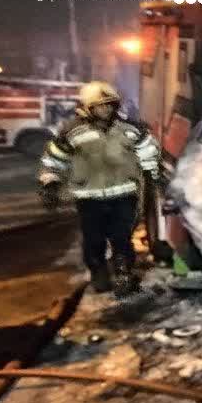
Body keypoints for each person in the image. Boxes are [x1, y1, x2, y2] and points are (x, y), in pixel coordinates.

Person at [37, 81, 160, 296]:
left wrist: (151, 174)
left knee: (122, 237)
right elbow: (54, 159)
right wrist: (49, 183)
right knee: (94, 239)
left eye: (110, 104)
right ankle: (98, 272)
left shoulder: (130, 129)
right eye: (100, 106)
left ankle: (124, 274)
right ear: (87, 107)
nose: (106, 109)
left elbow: (148, 151)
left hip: (124, 194)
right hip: (89, 197)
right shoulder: (72, 132)